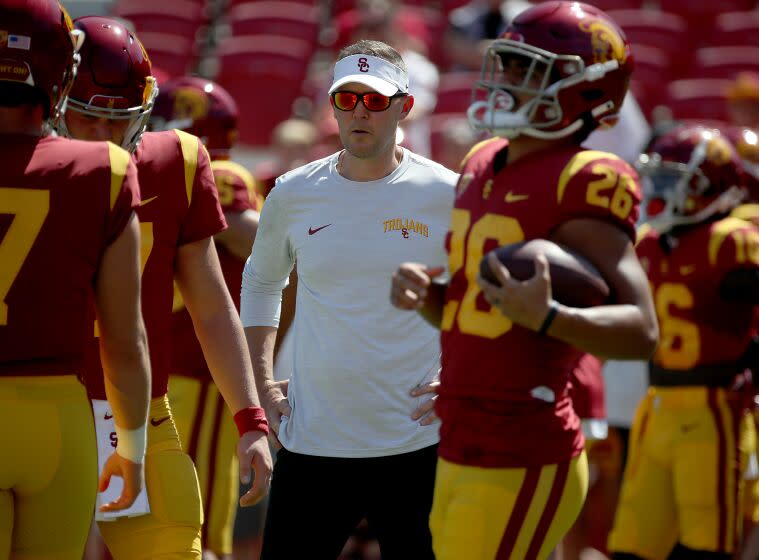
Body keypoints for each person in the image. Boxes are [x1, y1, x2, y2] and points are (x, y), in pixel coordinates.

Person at [389, 3, 659, 559]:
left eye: (527, 69)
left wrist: (552, 319)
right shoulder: (483, 160)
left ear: (585, 90)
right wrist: (432, 300)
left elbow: (641, 329)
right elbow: (476, 313)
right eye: (508, 64)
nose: (507, 80)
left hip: (525, 441)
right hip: (460, 435)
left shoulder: (588, 177)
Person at [59, 17, 272, 559]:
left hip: (135, 407)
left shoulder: (176, 160)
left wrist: (250, 415)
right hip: (48, 398)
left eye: (117, 120)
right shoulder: (25, 164)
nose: (103, 138)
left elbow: (211, 301)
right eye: (88, 118)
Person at [241, 39, 459, 559]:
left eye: (376, 100)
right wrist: (262, 384)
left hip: (416, 441)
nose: (360, 112)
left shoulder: (447, 192)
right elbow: (261, 283)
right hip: (313, 441)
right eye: (347, 99)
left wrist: (459, 376)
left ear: (404, 106)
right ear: (332, 106)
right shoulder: (292, 192)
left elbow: (478, 295)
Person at [0, 1, 151, 557]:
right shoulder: (102, 170)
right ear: (61, 74)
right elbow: (124, 340)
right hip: (55, 420)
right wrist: (131, 447)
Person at [608, 124, 759, 560]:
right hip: (655, 404)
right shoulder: (649, 242)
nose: (658, 190)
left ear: (710, 185)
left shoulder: (731, 240)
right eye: (657, 177)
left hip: (714, 407)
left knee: (706, 545)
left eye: (673, 180)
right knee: (634, 542)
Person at [150, 74, 264, 560]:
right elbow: (257, 238)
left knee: (174, 518)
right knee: (191, 522)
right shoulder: (218, 174)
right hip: (197, 367)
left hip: (182, 365)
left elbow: (250, 237)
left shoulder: (208, 174)